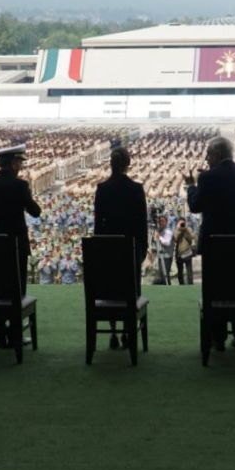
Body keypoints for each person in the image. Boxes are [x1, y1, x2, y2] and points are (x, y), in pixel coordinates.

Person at [185, 136, 235, 351]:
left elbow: (196, 206)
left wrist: (191, 186)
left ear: (216, 154)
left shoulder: (207, 178)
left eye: (208, 155)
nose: (206, 159)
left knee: (215, 290)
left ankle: (217, 338)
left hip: (215, 244)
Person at [0, 142, 42, 347]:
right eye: (19, 162)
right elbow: (35, 211)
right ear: (14, 164)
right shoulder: (20, 185)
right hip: (16, 243)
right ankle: (15, 333)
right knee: (17, 288)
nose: (21, 166)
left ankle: (0, 332)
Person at [93, 144, 148, 348]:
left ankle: (114, 332)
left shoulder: (102, 189)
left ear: (111, 164)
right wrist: (142, 250)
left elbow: (98, 224)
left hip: (108, 248)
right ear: (128, 164)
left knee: (110, 290)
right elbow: (142, 224)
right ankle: (127, 331)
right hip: (130, 247)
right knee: (130, 290)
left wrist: (99, 249)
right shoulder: (135, 189)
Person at [174, 217, 196, 285]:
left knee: (189, 271)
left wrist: (186, 230)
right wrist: (179, 230)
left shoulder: (188, 229)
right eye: (181, 223)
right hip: (179, 254)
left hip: (187, 252)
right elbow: (176, 239)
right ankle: (181, 285)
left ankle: (190, 285)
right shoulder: (176, 230)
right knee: (180, 271)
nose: (182, 224)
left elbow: (191, 238)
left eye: (183, 223)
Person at [154, 215, 174, 284]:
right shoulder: (159, 230)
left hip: (167, 256)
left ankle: (168, 288)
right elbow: (155, 241)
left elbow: (167, 243)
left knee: (165, 274)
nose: (160, 223)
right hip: (161, 255)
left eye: (162, 221)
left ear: (166, 222)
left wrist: (159, 237)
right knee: (162, 274)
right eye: (159, 221)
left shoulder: (168, 231)